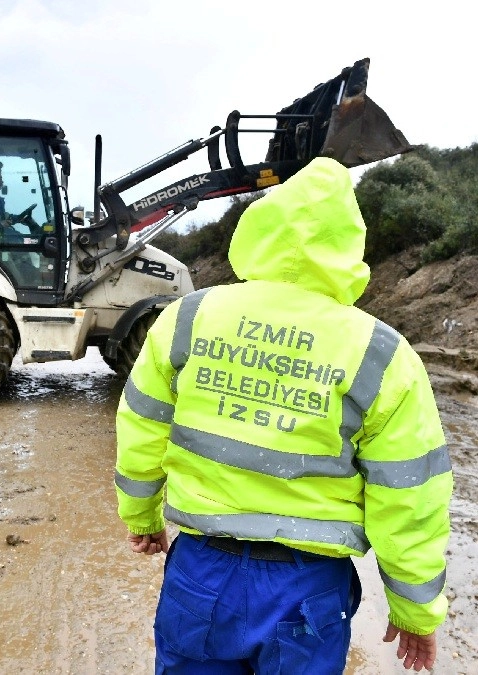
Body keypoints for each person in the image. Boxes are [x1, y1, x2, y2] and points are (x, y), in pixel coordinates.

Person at [115, 157, 453, 673]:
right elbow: (409, 493)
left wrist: (141, 515)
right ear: (349, 247)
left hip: (201, 570)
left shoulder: (189, 316)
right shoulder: (381, 353)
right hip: (308, 584)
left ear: (260, 228)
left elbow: (141, 425)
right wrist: (414, 609)